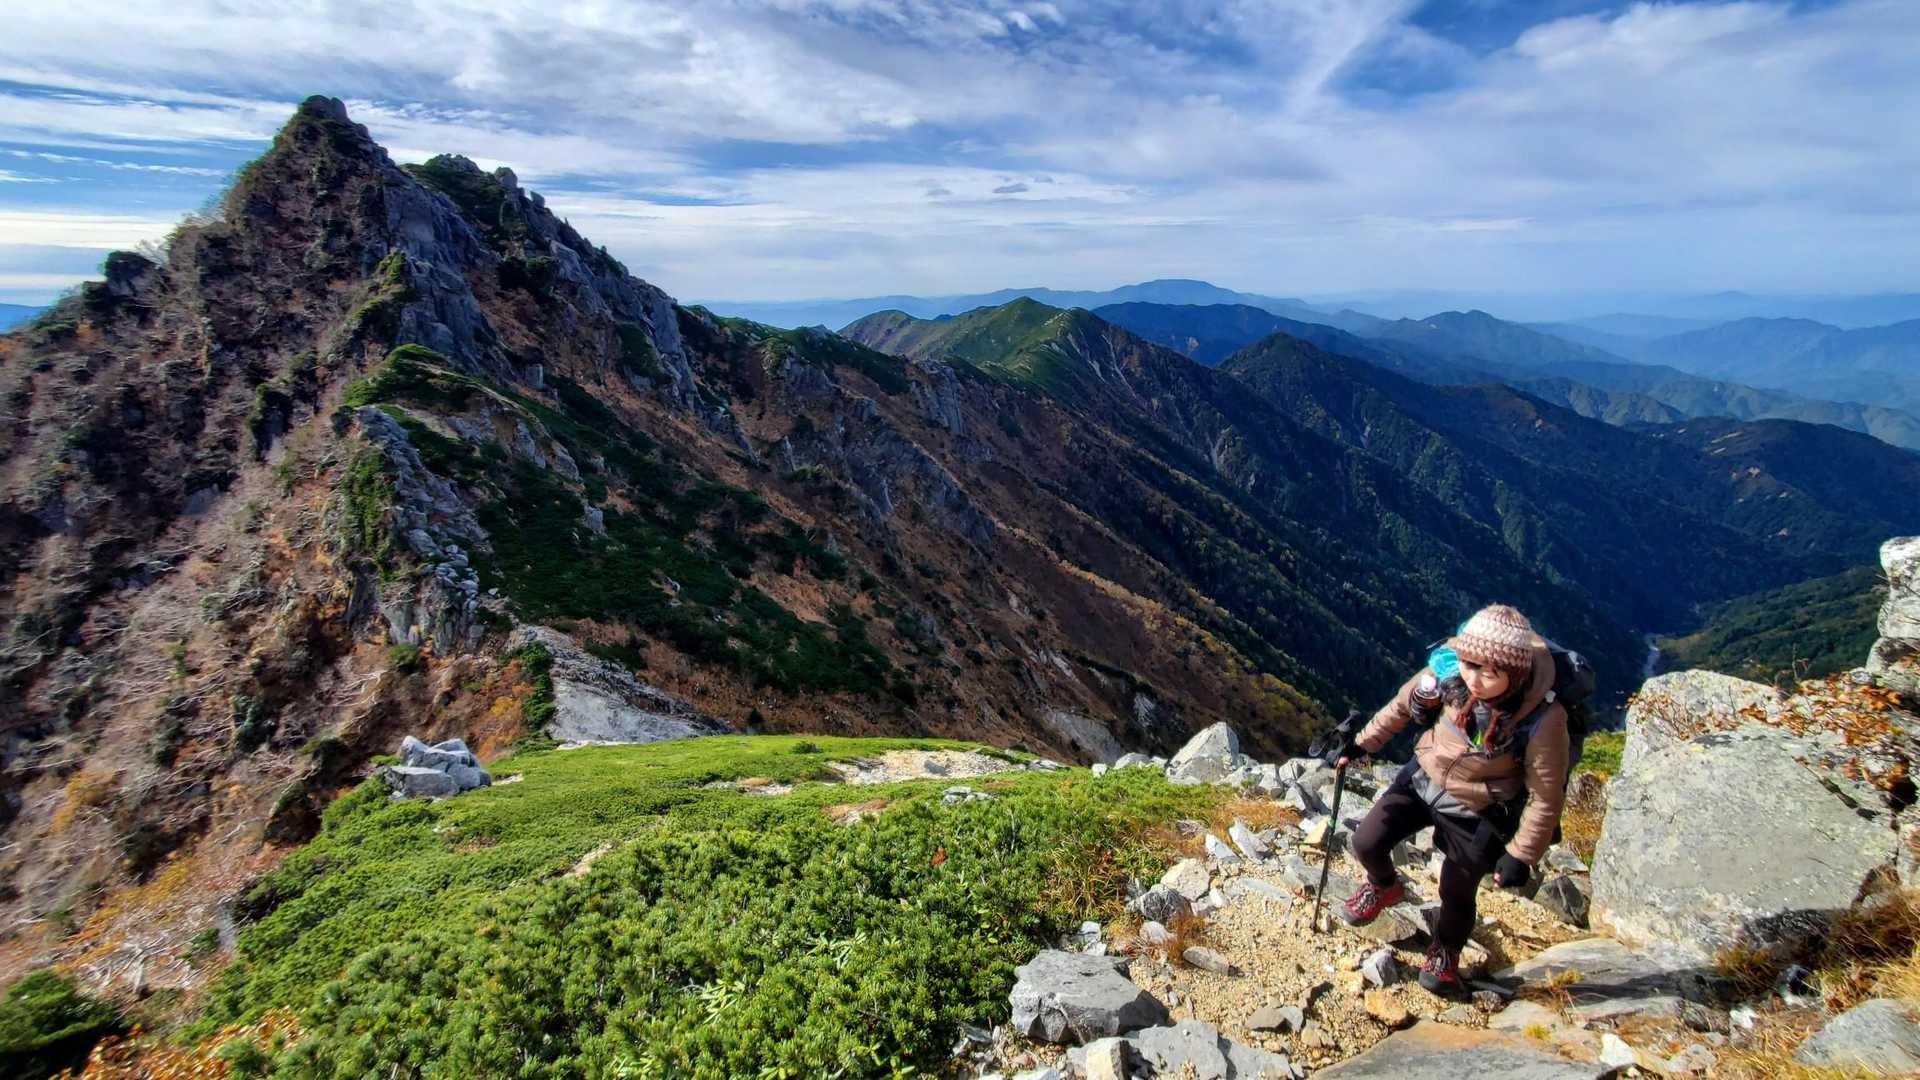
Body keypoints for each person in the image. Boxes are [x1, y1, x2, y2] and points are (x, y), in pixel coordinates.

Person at [1323, 604, 1570, 997]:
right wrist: (1361, 745)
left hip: (1480, 807)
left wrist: (1521, 855)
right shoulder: (1448, 670)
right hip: (1424, 776)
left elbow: (1546, 792)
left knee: (1456, 890)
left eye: (1490, 673)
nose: (1474, 680)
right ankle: (1384, 885)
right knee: (1366, 841)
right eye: (1469, 666)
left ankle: (1444, 953)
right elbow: (1401, 707)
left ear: (1516, 672)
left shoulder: (1543, 717)